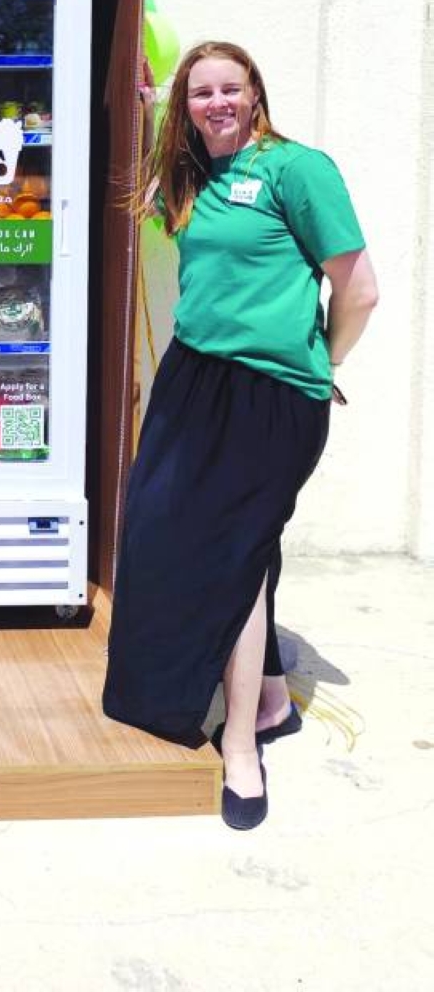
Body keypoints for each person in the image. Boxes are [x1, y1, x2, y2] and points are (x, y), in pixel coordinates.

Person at [103, 41, 377, 830]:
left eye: (230, 88)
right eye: (200, 93)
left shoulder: (298, 169)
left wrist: (324, 362)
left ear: (256, 93)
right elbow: (155, 197)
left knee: (236, 559)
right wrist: (155, 113)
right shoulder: (195, 177)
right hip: (193, 381)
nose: (217, 102)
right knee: (164, 536)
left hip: (273, 395)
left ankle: (244, 753)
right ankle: (266, 699)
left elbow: (360, 287)